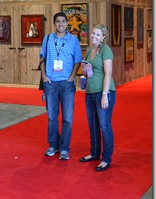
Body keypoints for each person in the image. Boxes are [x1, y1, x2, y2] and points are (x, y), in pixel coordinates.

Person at [39, 12, 82, 160]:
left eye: (63, 21)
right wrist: (44, 77)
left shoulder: (73, 40)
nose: (61, 24)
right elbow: (42, 58)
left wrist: (71, 78)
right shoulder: (48, 39)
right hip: (50, 84)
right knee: (52, 117)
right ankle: (53, 145)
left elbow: (78, 61)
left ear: (67, 24)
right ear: (54, 23)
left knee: (67, 118)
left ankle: (64, 148)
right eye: (58, 21)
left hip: (67, 84)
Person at [79, 24, 116, 171]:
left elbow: (108, 73)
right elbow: (88, 74)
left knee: (104, 126)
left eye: (98, 35)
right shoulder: (89, 51)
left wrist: (105, 95)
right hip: (90, 92)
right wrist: (85, 70)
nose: (94, 36)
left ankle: (106, 159)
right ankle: (94, 153)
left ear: (103, 37)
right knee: (92, 125)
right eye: (93, 33)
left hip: (103, 92)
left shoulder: (105, 50)